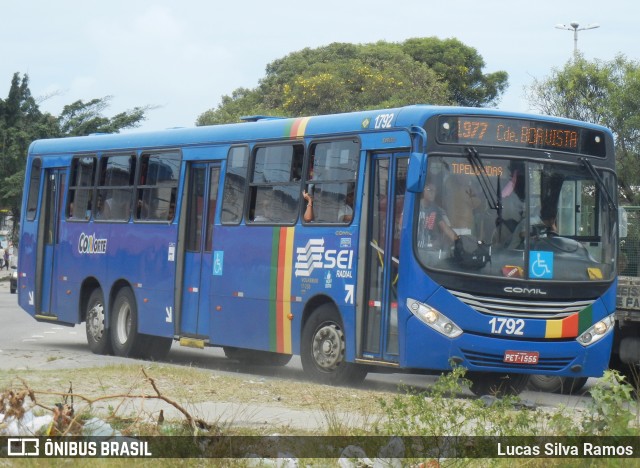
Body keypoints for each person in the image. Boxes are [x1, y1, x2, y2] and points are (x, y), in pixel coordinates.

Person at [417, 182, 458, 249]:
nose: (432, 193)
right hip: (415, 249)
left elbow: (445, 228)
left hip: (428, 249)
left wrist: (458, 241)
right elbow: (402, 226)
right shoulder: (414, 207)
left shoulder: (435, 209)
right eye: (430, 190)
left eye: (434, 191)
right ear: (423, 190)